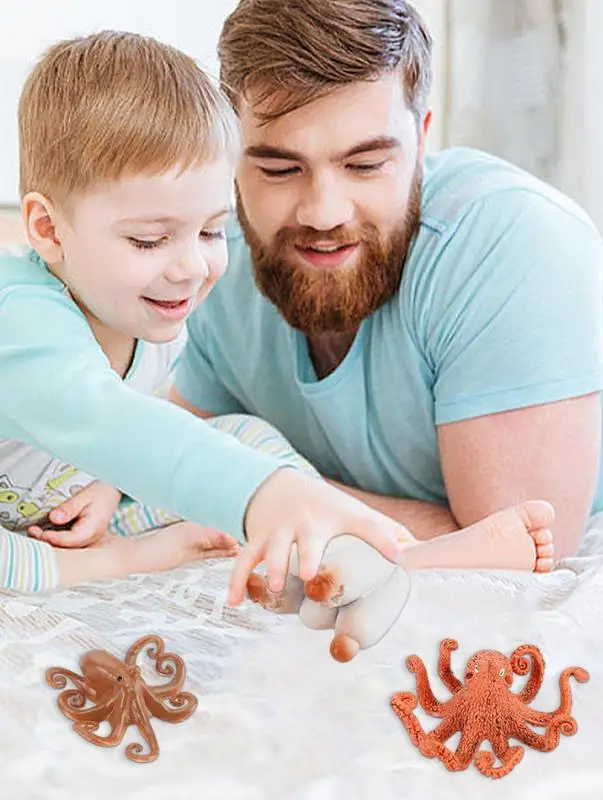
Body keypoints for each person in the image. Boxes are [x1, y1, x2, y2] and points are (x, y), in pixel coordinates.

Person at [162, 0, 603, 565]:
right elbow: (165, 458)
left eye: (365, 164)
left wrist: (262, 488)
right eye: (278, 168)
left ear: (421, 139)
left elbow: (510, 555)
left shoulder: (511, 240)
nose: (323, 212)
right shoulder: (222, 256)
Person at [0, 31, 554, 597]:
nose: (191, 266)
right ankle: (118, 564)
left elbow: (145, 428)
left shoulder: (146, 306)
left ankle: (396, 556)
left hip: (58, 512)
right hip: (21, 540)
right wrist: (266, 493)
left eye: (213, 230)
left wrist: (113, 481)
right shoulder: (17, 321)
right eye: (149, 240)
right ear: (47, 229)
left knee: (241, 437)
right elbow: (106, 419)